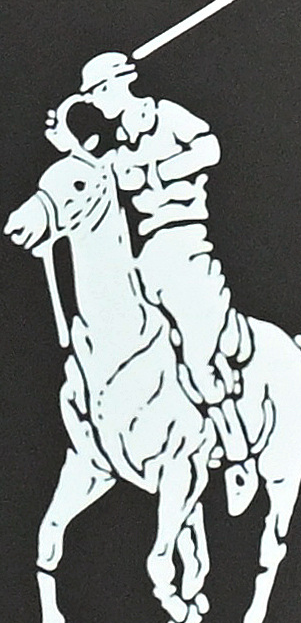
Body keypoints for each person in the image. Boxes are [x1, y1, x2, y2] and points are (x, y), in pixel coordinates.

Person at [45, 52, 256, 489]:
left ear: (124, 83)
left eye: (102, 91)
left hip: (185, 245)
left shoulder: (165, 116)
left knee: (197, 354)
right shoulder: (116, 146)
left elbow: (210, 147)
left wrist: (157, 171)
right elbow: (97, 178)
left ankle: (237, 452)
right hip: (144, 255)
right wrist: (70, 147)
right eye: (92, 95)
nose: (98, 101)